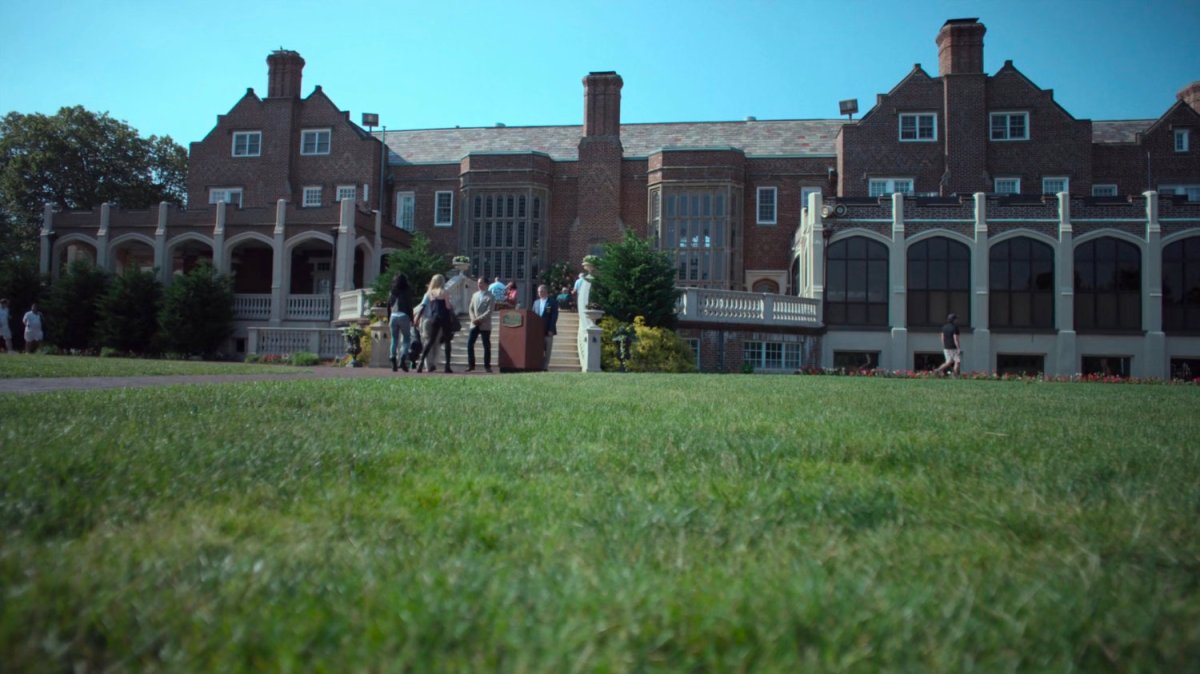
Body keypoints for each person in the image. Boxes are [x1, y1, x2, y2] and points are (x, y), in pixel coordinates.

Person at [417, 274, 455, 373]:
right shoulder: (445, 292)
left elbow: (429, 305)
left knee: (430, 341)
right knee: (447, 341)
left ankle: (421, 363)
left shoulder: (430, 293)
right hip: (444, 318)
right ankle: (447, 366)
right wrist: (450, 305)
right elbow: (447, 307)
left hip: (434, 318)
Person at [386, 274, 415, 372]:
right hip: (404, 316)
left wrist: (388, 318)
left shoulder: (392, 292)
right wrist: (412, 319)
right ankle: (402, 358)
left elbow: (388, 306)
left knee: (394, 339)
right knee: (406, 339)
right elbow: (409, 306)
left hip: (393, 316)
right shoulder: (407, 291)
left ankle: (392, 357)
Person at [467, 277, 495, 372]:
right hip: (474, 324)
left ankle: (487, 366)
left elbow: (489, 311)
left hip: (484, 325)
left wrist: (479, 319)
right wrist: (473, 319)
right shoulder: (475, 295)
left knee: (486, 346)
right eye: (478, 283)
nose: (479, 285)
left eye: (481, 283)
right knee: (470, 344)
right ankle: (471, 365)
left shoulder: (490, 296)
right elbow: (470, 308)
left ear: (486, 284)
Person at [533, 284, 559, 372]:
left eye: (541, 291)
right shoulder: (536, 302)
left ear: (546, 292)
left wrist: (551, 329)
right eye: (538, 292)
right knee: (538, 349)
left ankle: (545, 366)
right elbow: (533, 315)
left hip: (548, 330)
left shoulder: (552, 302)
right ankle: (538, 365)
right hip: (538, 330)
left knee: (547, 350)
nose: (539, 293)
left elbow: (553, 317)